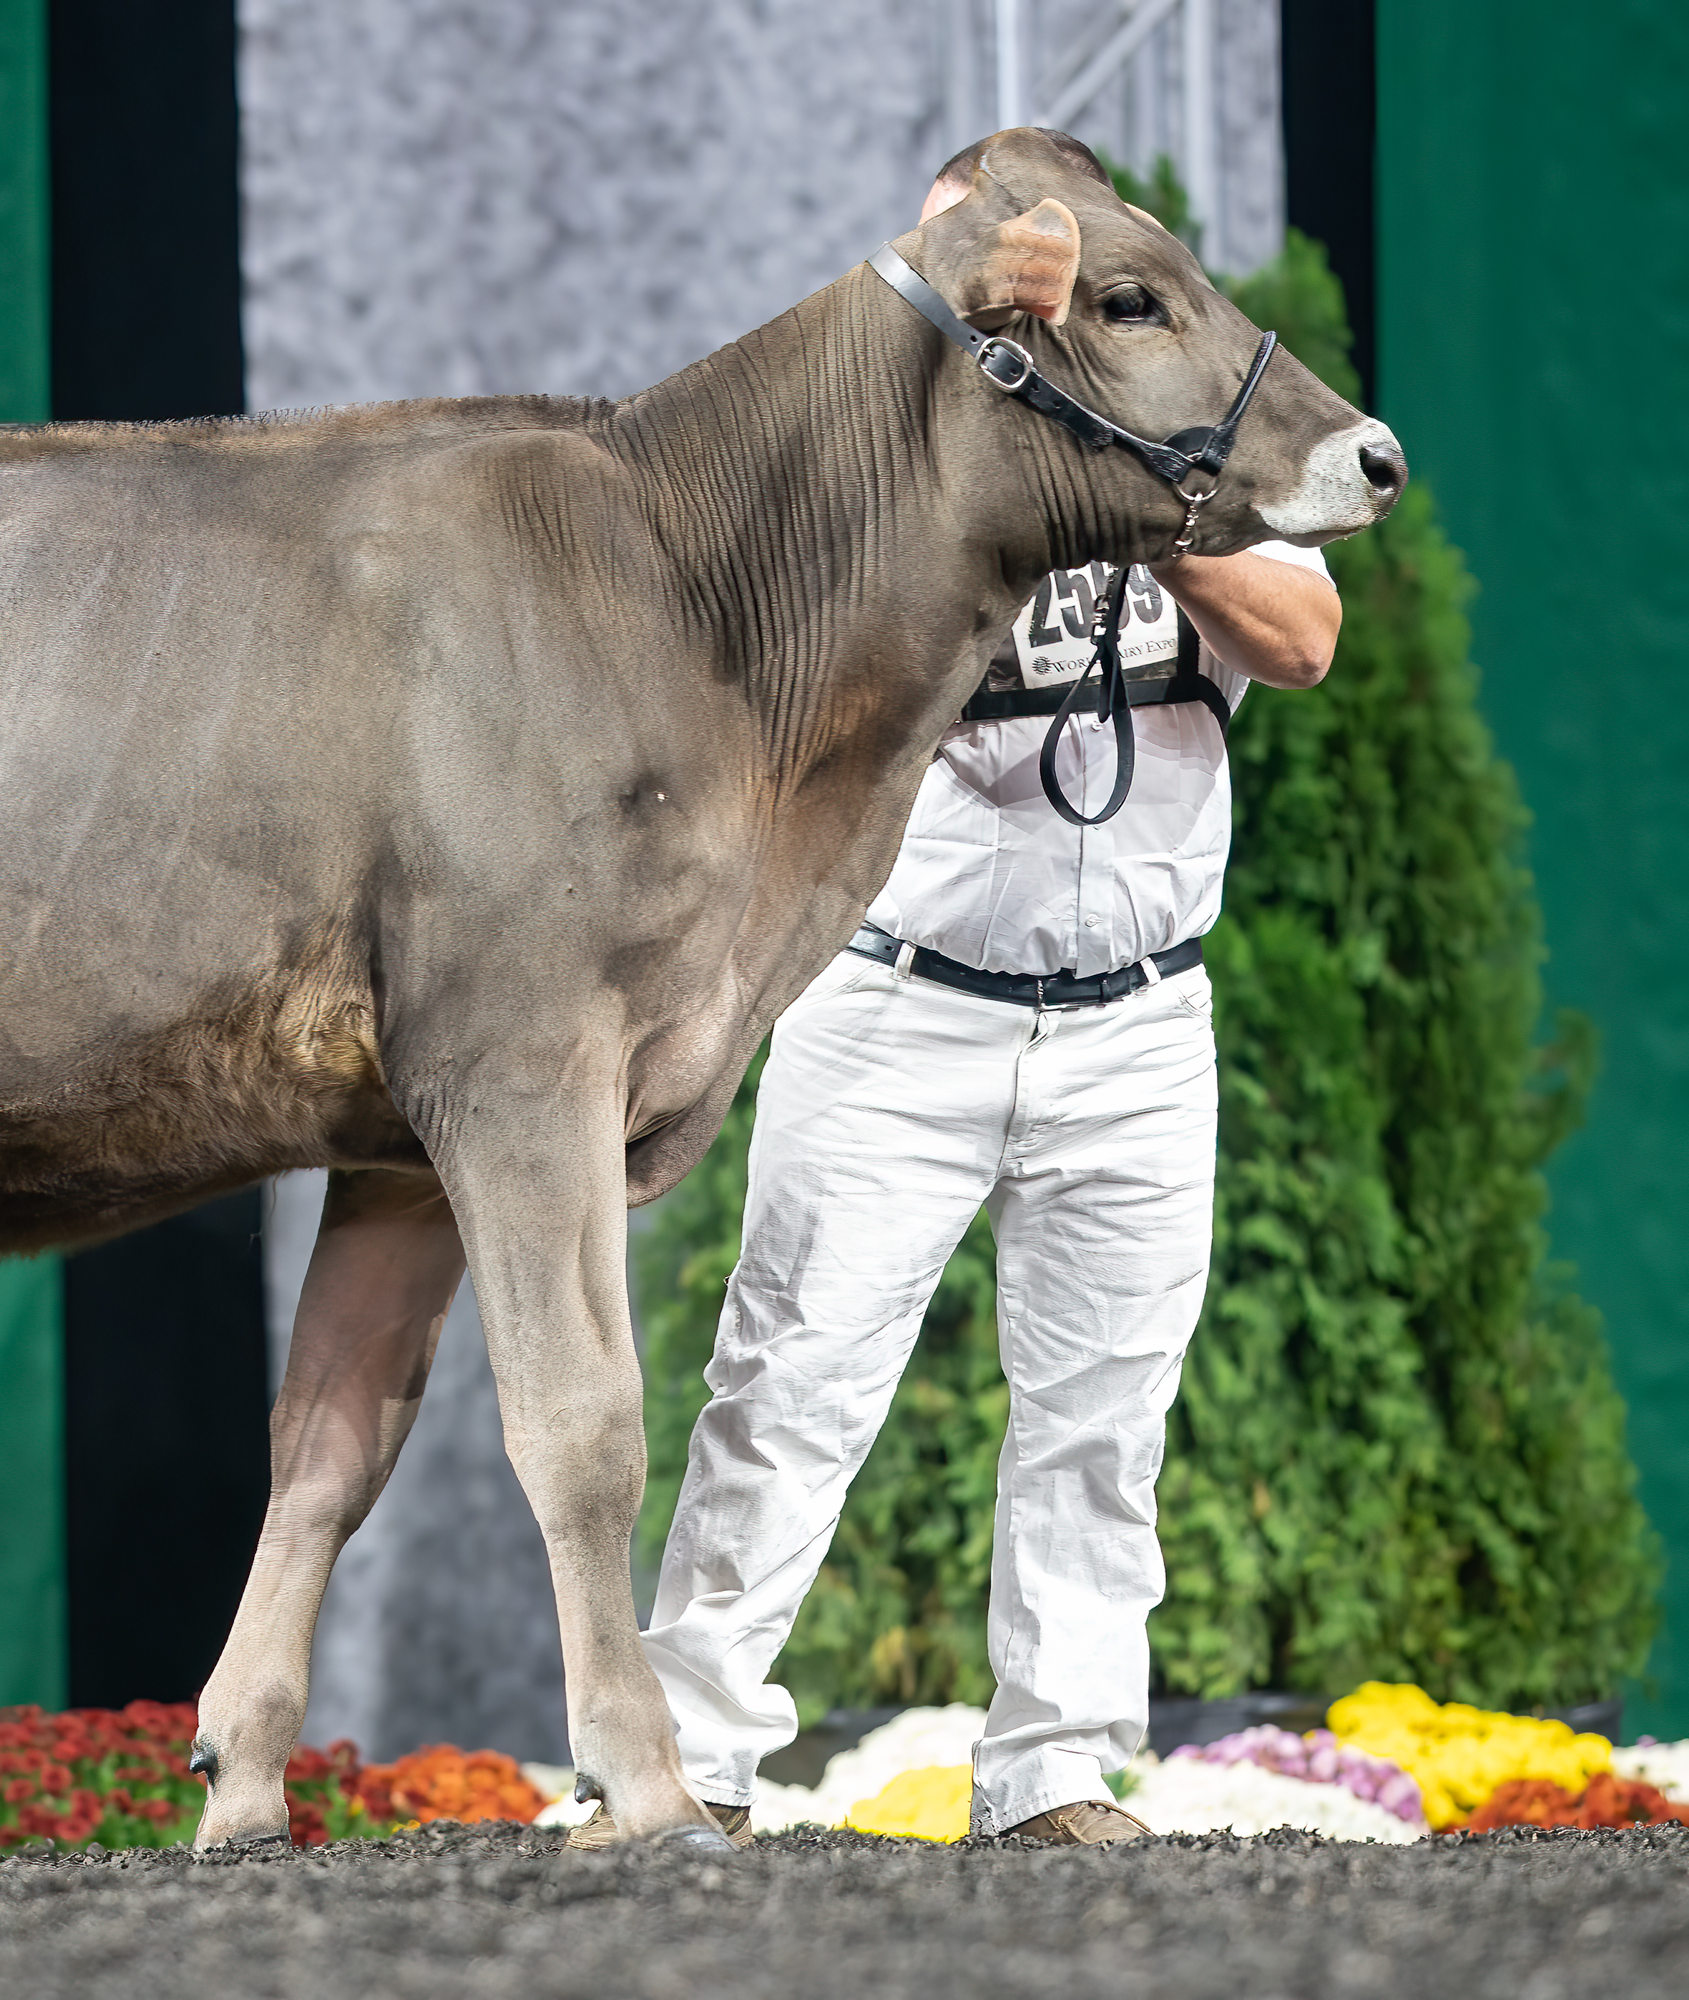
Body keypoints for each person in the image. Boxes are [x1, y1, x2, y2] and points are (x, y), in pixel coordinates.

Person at [622, 132, 1345, 1848]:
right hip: (896, 1007)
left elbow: (1305, 640)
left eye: (1014, 264)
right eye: (954, 264)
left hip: (1139, 1022)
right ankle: (686, 1768)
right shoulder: (872, 459)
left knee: (1106, 1421)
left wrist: (1128, 478)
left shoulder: (1200, 435)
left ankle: (1056, 1775)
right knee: (784, 1395)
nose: (979, 300)